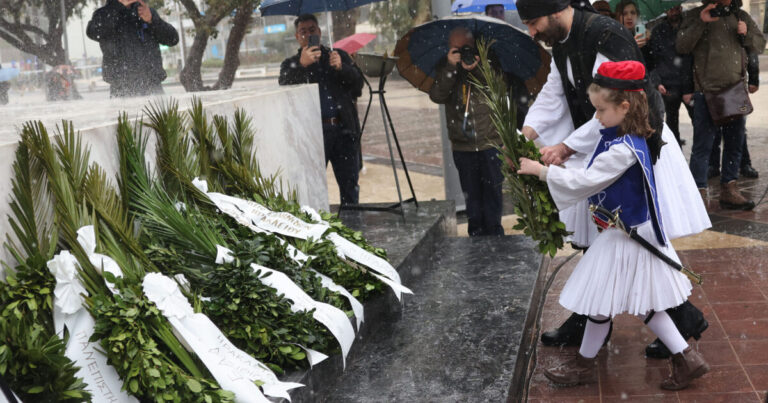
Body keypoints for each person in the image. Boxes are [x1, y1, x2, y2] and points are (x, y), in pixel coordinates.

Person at [515, 0, 710, 359]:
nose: (531, 32)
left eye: (533, 22)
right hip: (605, 143)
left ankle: (678, 319)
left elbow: (611, 107)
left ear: (555, 11)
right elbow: (555, 92)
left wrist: (565, 149)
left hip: (636, 146)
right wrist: (526, 132)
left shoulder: (605, 36)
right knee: (612, 242)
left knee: (638, 245)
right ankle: (598, 319)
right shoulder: (561, 43)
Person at [676, 0, 765, 210]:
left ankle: (729, 188)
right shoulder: (696, 15)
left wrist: (746, 34)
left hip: (735, 91)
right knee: (703, 145)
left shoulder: (741, 16)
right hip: (705, 92)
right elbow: (682, 45)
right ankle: (697, 192)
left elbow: (759, 45)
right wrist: (701, 22)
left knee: (735, 142)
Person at [279, 14, 364, 206]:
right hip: (312, 135)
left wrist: (342, 68)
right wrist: (302, 65)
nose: (308, 35)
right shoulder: (291, 63)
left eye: (312, 30)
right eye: (303, 31)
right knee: (312, 189)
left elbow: (358, 86)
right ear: (297, 36)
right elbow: (284, 86)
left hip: (344, 131)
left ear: (319, 31)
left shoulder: (337, 55)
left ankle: (352, 228)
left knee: (350, 188)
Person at [87, 0, 178, 98]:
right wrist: (118, 6)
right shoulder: (105, 13)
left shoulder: (144, 11)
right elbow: (93, 32)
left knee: (160, 112)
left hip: (153, 87)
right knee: (126, 113)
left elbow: (172, 39)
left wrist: (152, 20)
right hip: (121, 90)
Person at [708, 51, 760, 179]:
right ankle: (713, 165)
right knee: (715, 125)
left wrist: (753, 78)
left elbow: (751, 49)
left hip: (735, 84)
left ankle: (744, 163)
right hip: (711, 84)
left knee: (737, 128)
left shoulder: (739, 31)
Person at [646, 5, 693, 146]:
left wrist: (688, 87)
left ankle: (705, 161)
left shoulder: (688, 27)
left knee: (699, 122)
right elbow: (653, 60)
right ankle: (676, 152)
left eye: (676, 8)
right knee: (672, 123)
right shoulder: (658, 31)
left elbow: (690, 59)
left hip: (689, 82)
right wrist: (658, 81)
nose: (674, 11)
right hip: (668, 84)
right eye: (670, 8)